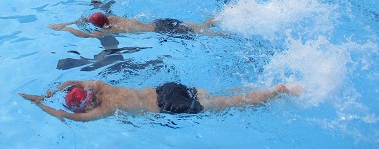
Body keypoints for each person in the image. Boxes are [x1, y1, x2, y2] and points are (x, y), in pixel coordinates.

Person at [19, 80, 301, 121]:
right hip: (165, 89)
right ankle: (261, 88)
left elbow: (67, 117)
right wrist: (48, 91)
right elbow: (73, 82)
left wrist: (39, 103)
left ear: (88, 104)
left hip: (168, 106)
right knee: (218, 95)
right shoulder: (101, 87)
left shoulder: (104, 109)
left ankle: (276, 91)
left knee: (231, 104)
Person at [49, 12, 224, 38]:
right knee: (201, 26)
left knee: (202, 33)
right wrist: (65, 22)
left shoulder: (113, 30)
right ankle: (219, 16)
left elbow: (87, 36)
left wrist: (66, 27)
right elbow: (87, 19)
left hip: (162, 29)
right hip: (160, 22)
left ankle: (226, 35)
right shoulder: (113, 18)